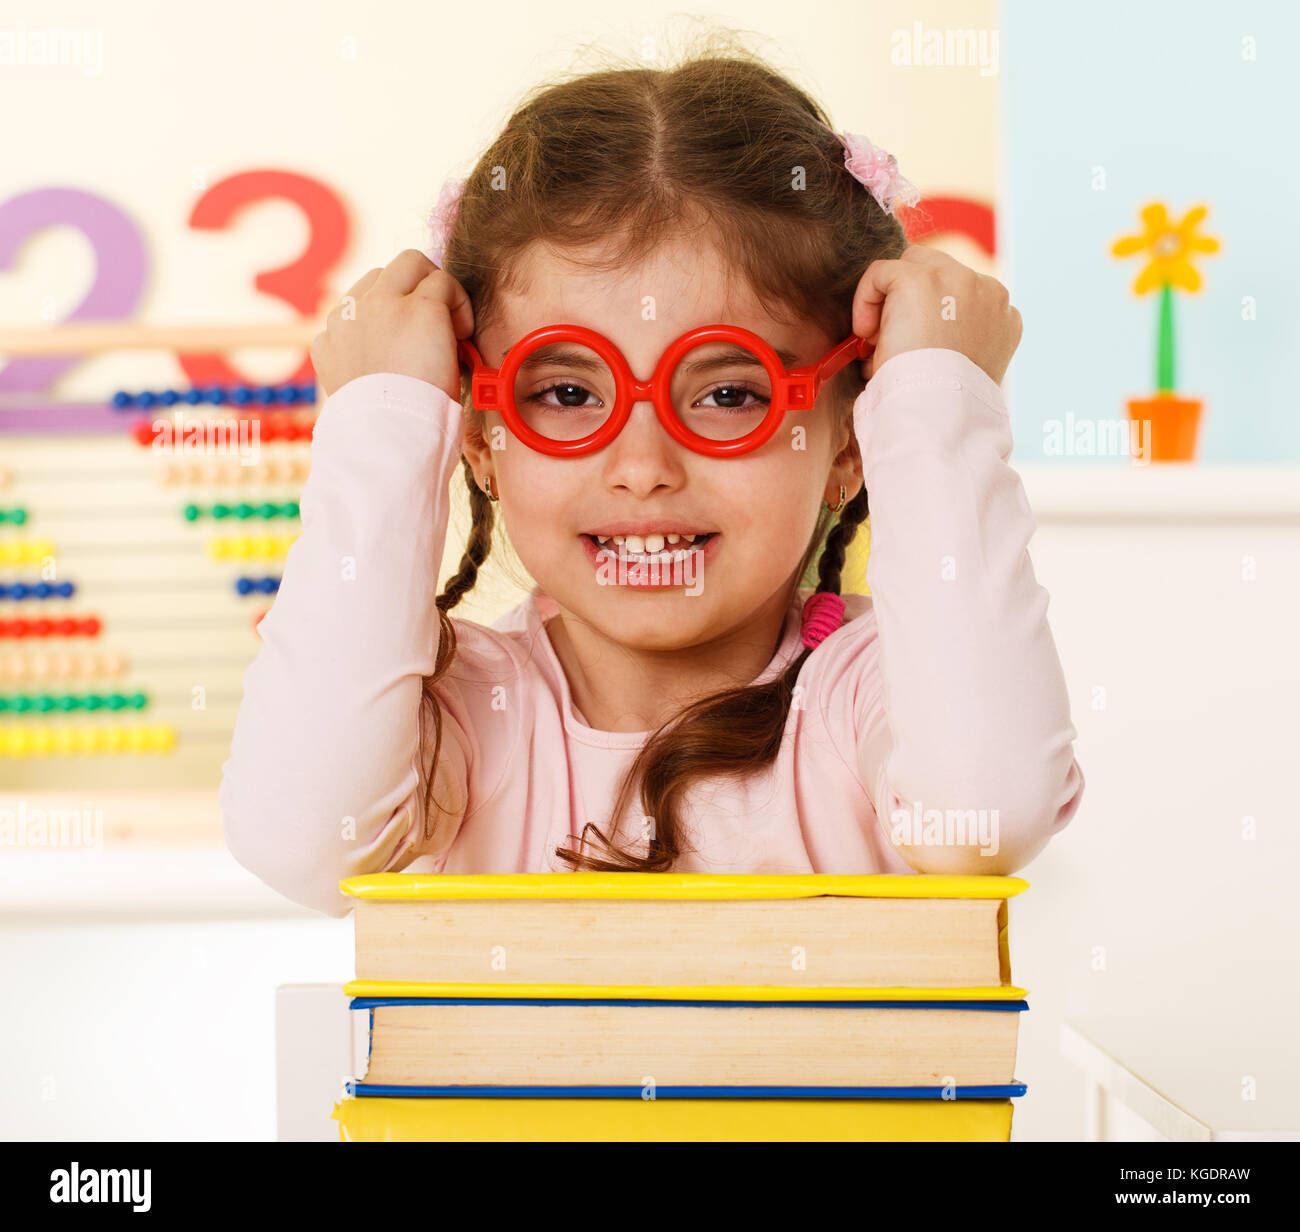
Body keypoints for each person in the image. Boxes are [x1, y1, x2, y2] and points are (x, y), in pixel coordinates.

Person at [220, 47, 1084, 916]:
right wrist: (385, 419)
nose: (642, 470)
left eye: (728, 393)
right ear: (482, 439)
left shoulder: (869, 696)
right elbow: (299, 839)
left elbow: (985, 818)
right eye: (565, 393)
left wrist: (937, 405)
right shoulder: (468, 717)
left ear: (852, 442)